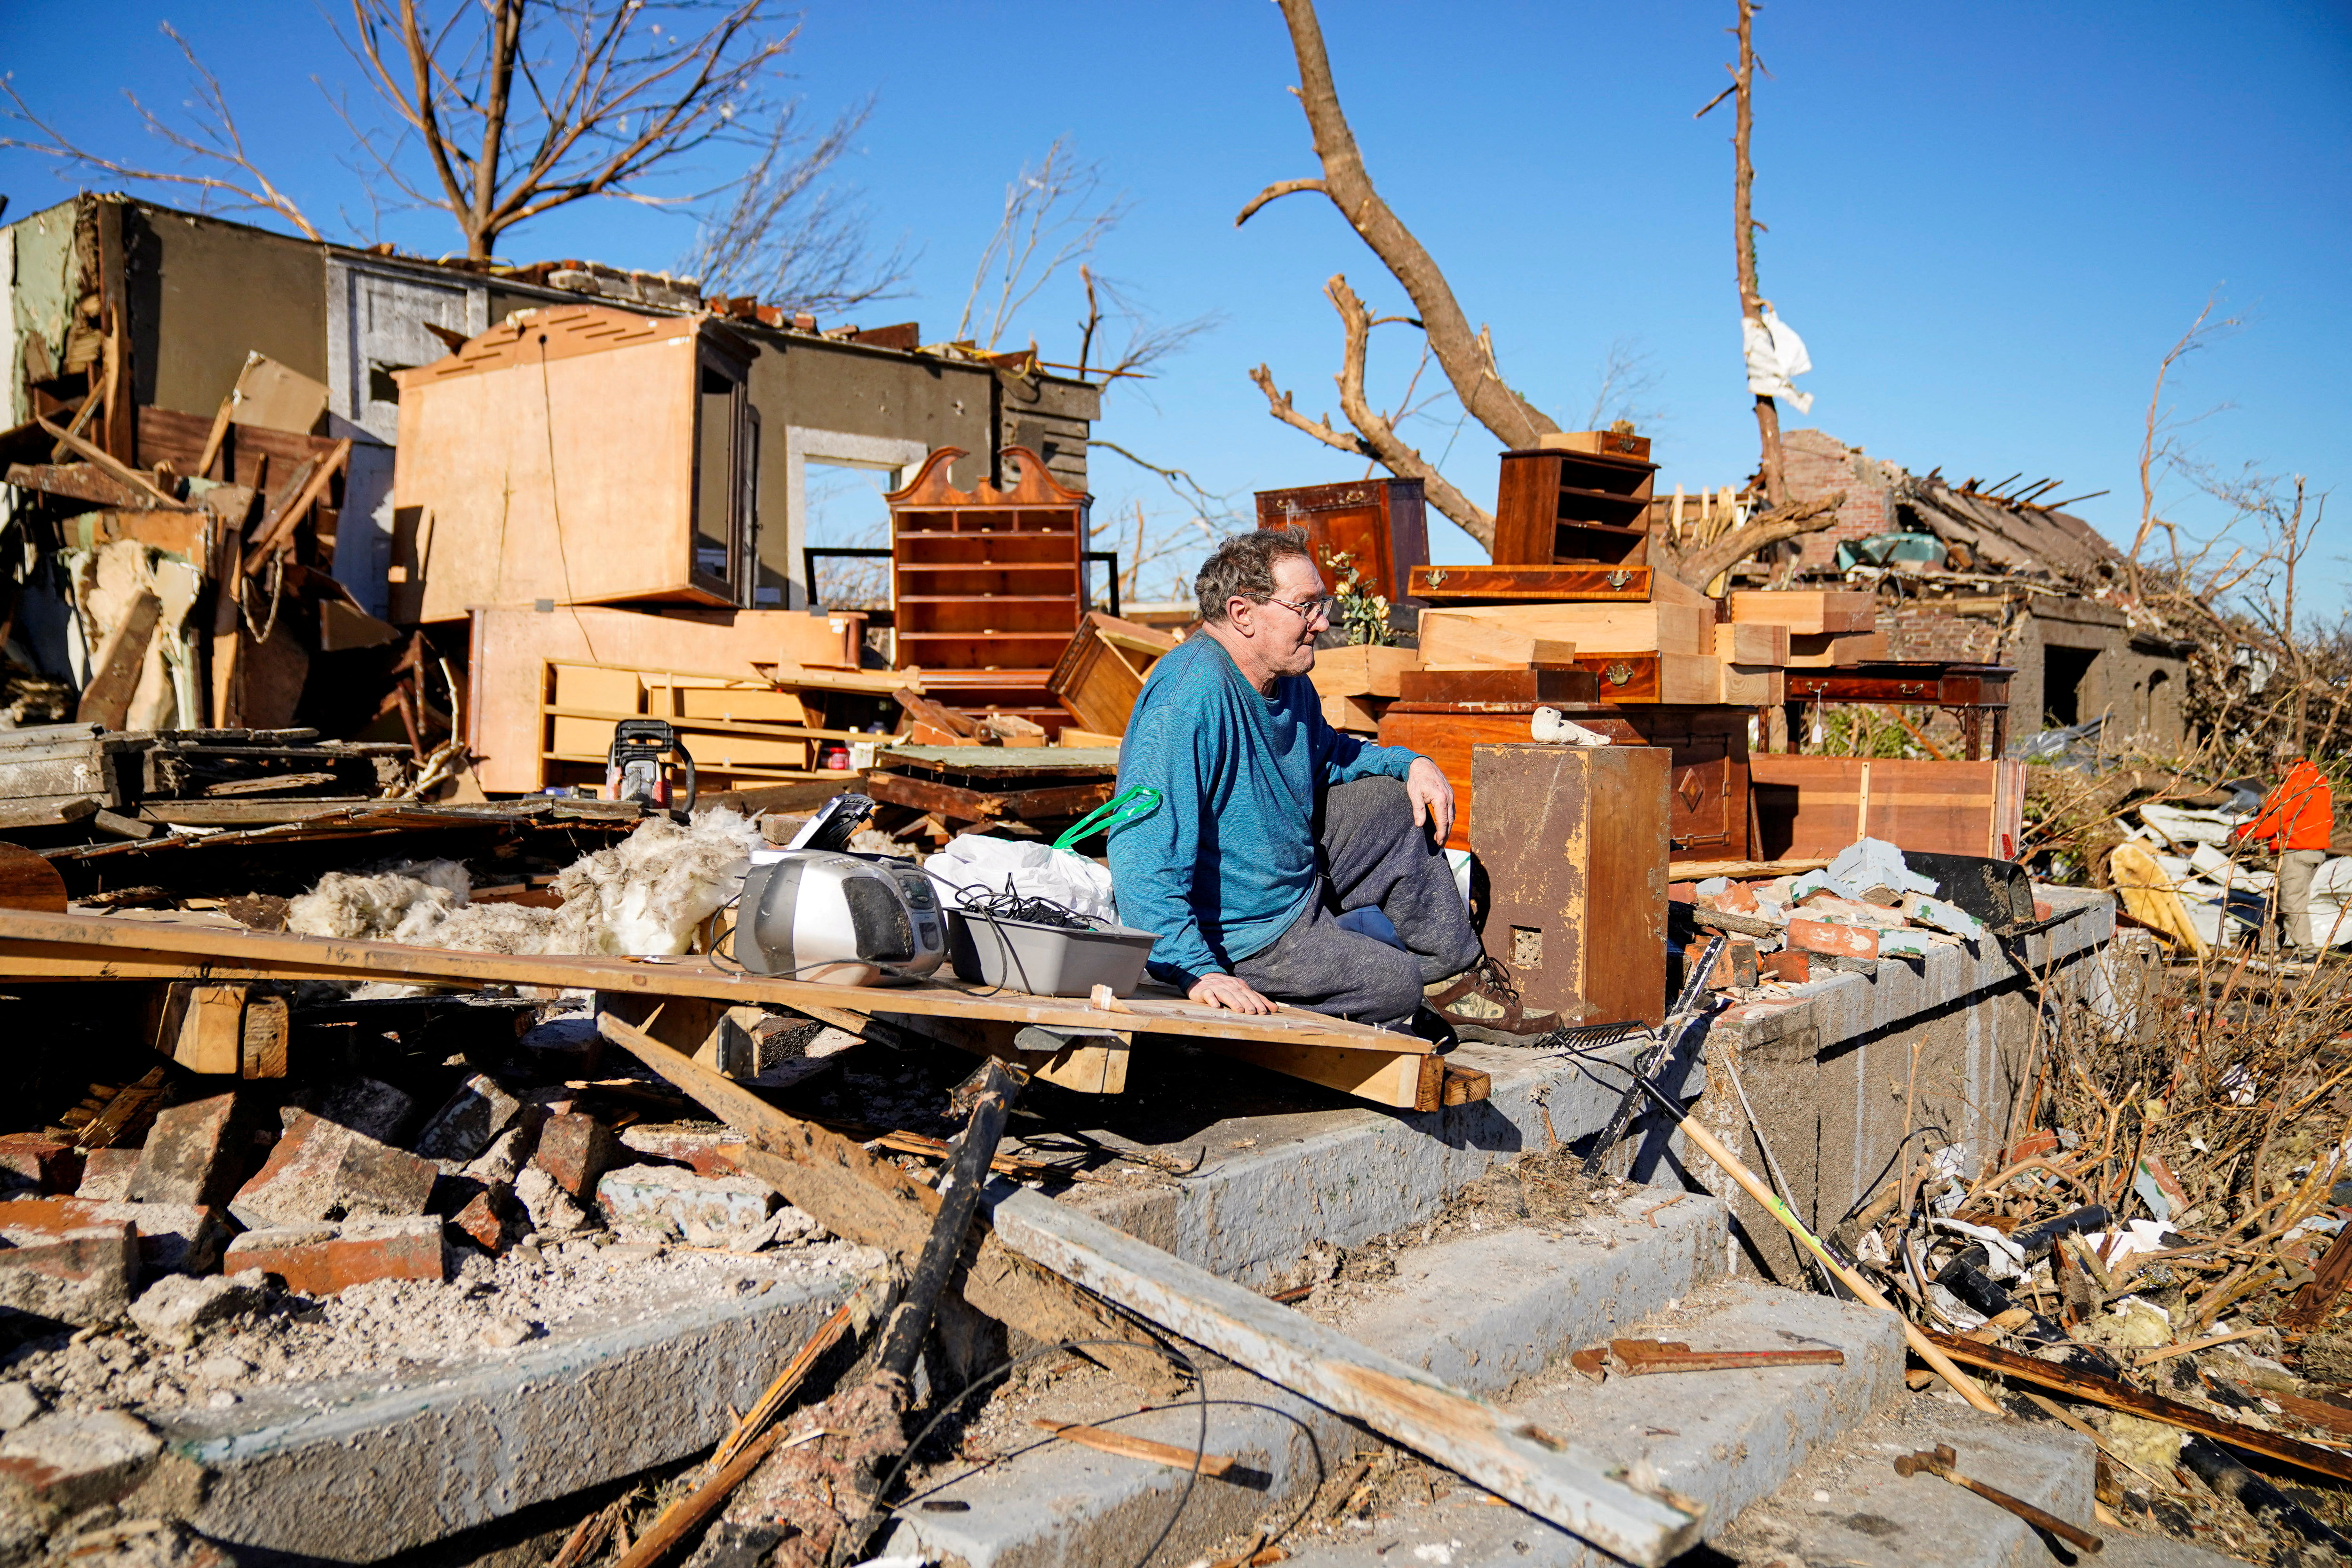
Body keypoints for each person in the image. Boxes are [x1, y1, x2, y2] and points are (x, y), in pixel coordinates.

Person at [1104, 526, 1551, 1039]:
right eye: (1306, 607)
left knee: (1393, 803)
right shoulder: (1185, 699)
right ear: (1242, 613)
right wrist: (1195, 970)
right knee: (1395, 984)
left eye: (1322, 605)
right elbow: (1142, 854)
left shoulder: (1288, 681)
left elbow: (1329, 755)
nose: (1321, 622)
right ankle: (1269, 986)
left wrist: (1411, 764)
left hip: (1291, 875)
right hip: (1242, 933)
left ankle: (1456, 987)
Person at [2235, 757, 2335, 955]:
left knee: (2291, 903)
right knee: (2282, 900)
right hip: (2313, 853)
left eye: (2275, 766)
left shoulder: (2294, 787)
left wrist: (2242, 832)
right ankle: (2267, 948)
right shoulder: (2319, 785)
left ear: (2289, 765)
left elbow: (2270, 821)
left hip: (2296, 852)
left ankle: (2307, 955)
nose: (2273, 771)